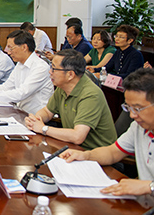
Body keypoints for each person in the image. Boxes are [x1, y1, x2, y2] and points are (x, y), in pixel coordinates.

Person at [60, 68, 154, 196]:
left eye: (137, 108)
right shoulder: (138, 127)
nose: (132, 115)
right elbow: (113, 152)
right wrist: (86, 156)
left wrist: (149, 186)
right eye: (128, 107)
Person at [25, 50, 117, 150]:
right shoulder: (63, 87)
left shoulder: (91, 94)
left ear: (70, 75)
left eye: (54, 69)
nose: (50, 72)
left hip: (94, 153)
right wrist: (36, 120)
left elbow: (77, 137)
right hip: (71, 147)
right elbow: (47, 112)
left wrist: (43, 128)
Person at [0, 30, 54, 114]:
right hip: (19, 111)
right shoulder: (20, 64)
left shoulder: (40, 67)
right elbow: (6, 87)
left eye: (11, 48)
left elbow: (21, 93)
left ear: (24, 47)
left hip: (36, 117)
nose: (8, 52)